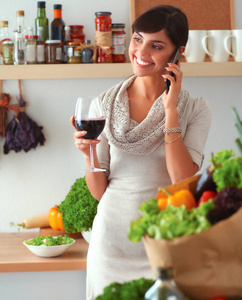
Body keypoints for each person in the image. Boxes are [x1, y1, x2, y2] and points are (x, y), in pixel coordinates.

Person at [70, 5, 211, 299]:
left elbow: (181, 177)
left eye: (156, 45)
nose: (141, 52)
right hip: (110, 245)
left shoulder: (195, 109)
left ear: (177, 53)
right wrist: (88, 155)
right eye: (137, 39)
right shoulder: (103, 105)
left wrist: (170, 110)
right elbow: (99, 193)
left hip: (165, 244)